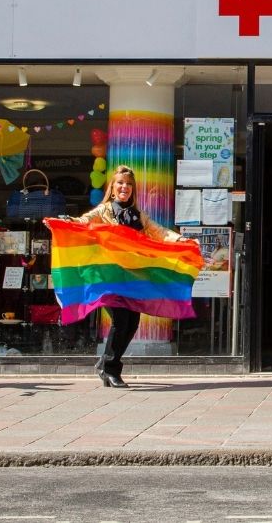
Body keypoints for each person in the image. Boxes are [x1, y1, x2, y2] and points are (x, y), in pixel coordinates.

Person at [67, 165, 187, 389]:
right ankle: (110, 369)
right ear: (112, 187)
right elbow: (83, 221)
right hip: (108, 277)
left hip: (131, 278)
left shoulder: (138, 216)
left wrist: (181, 240)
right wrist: (65, 222)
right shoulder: (102, 211)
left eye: (129, 184)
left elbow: (159, 231)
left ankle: (106, 363)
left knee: (132, 323)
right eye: (120, 183)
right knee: (121, 320)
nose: (125, 187)